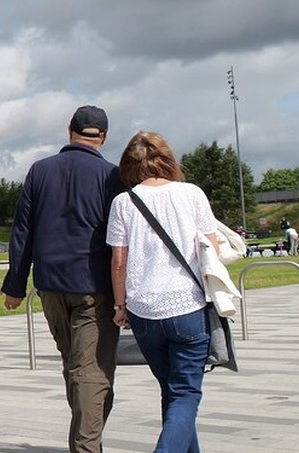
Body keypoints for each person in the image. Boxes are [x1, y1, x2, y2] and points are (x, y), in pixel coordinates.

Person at [1, 105, 124, 453]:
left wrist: (15, 285)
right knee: (91, 371)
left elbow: (22, 232)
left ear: (68, 129)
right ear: (103, 136)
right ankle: (87, 446)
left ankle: (87, 437)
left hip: (51, 286)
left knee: (76, 367)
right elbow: (120, 237)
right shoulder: (111, 176)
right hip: (93, 286)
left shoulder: (40, 171)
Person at [106, 131, 220, 453]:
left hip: (144, 312)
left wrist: (119, 305)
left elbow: (118, 263)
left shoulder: (122, 203)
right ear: (168, 159)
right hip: (188, 305)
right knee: (185, 394)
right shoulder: (192, 194)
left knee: (172, 392)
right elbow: (211, 249)